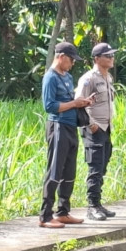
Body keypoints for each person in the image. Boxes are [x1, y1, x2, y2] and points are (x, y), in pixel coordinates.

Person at [39, 42, 95, 229]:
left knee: (69, 170)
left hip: (71, 127)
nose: (72, 63)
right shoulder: (50, 78)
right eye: (71, 59)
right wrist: (74, 104)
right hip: (58, 126)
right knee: (54, 170)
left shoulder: (69, 77)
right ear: (61, 56)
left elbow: (70, 101)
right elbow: (50, 106)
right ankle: (45, 216)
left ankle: (63, 211)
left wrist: (83, 103)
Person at [76, 43, 118, 221]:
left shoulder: (107, 78)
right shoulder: (88, 79)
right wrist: (90, 124)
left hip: (106, 128)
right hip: (94, 128)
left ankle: (98, 203)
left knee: (103, 165)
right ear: (96, 59)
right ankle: (92, 206)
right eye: (107, 55)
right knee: (95, 167)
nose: (111, 58)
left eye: (112, 55)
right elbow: (78, 102)